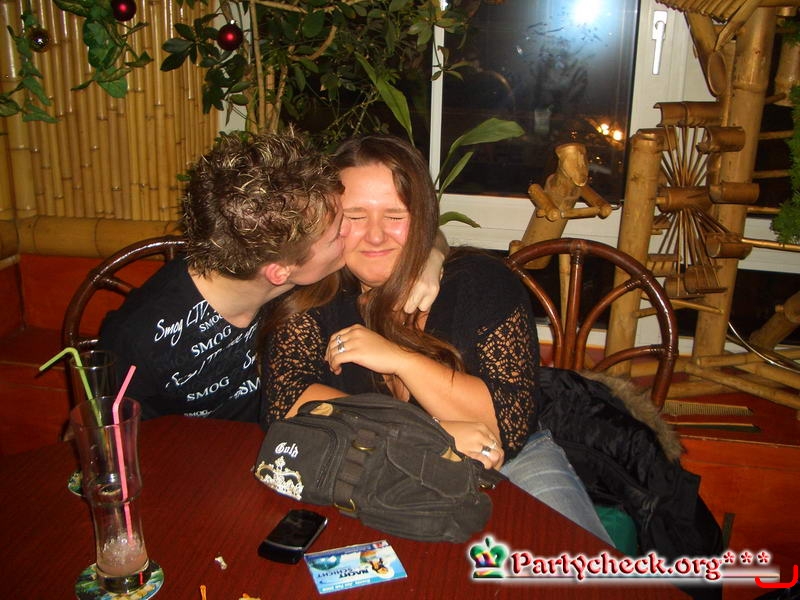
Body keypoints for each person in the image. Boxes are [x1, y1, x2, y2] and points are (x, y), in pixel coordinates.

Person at [260, 134, 612, 543]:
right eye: (355, 216)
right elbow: (286, 406)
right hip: (364, 467)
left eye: (395, 215)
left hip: (510, 463)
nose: (375, 236)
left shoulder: (482, 283)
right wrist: (432, 436)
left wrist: (400, 359)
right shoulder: (314, 296)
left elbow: (505, 429)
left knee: (580, 563)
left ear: (424, 219)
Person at [98, 129, 443, 422]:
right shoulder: (140, 340)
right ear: (280, 272)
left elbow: (416, 232)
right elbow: (113, 437)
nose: (356, 236)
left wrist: (431, 254)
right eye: (340, 229)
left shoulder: (285, 267)